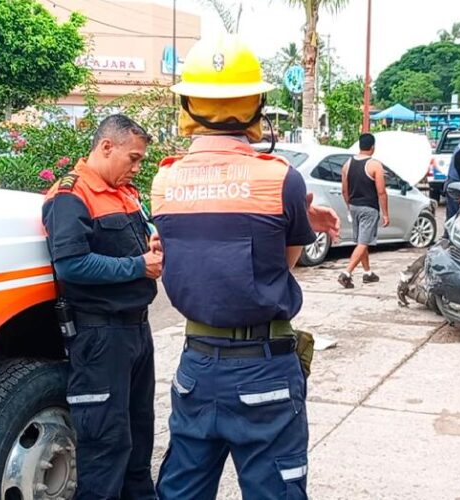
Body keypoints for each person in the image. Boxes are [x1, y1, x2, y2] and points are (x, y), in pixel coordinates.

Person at [151, 35, 338, 499]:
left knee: (182, 490)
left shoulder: (165, 179)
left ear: (189, 104)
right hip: (263, 372)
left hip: (195, 365)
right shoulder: (281, 179)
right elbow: (283, 265)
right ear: (256, 104)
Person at [42, 114, 163, 500]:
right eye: (134, 157)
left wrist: (152, 250)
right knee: (105, 446)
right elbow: (72, 265)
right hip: (100, 335)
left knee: (140, 434)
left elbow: (135, 246)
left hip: (136, 330)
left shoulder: (124, 192)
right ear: (106, 147)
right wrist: (138, 265)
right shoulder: (70, 196)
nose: (137, 167)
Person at [337, 133, 389, 288]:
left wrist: (349, 206)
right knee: (364, 242)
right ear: (372, 147)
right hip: (369, 208)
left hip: (354, 206)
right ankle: (346, 273)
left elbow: (344, 190)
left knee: (362, 240)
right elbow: (381, 192)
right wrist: (385, 214)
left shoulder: (347, 164)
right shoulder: (375, 165)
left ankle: (367, 273)